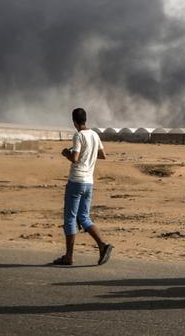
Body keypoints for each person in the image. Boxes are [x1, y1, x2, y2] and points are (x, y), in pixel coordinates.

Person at [52, 108, 113, 266]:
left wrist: (67, 153)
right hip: (89, 182)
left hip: (77, 180)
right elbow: (103, 155)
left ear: (74, 122)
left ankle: (69, 256)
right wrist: (89, 153)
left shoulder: (78, 135)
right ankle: (102, 245)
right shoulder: (94, 135)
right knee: (84, 217)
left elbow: (75, 158)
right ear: (85, 120)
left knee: (70, 218)